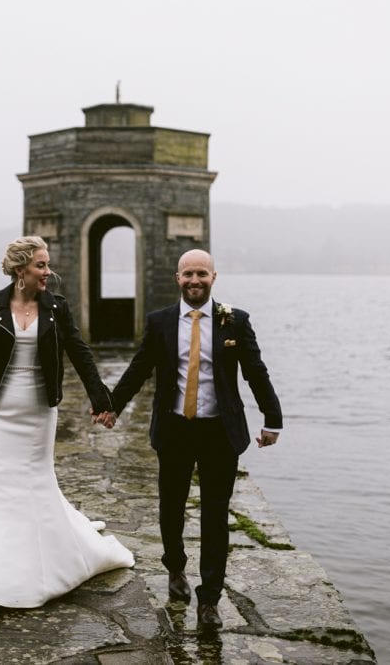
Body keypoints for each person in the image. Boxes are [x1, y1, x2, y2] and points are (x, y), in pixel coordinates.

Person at [0, 236, 134, 608]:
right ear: (20, 269)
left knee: (36, 480)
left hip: (38, 410)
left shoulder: (56, 307)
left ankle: (43, 567)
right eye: (41, 266)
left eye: (48, 265)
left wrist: (101, 399)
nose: (48, 272)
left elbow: (79, 350)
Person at [95, 249, 282, 629]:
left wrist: (272, 419)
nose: (194, 281)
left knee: (215, 516)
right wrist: (112, 405)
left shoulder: (235, 321)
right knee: (171, 509)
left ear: (214, 277)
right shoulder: (161, 322)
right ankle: (176, 568)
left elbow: (256, 373)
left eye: (202, 274)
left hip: (220, 432)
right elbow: (140, 368)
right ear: (177, 278)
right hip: (175, 428)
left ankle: (209, 600)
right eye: (187, 275)